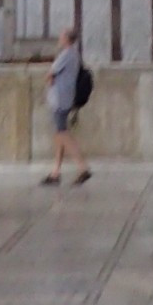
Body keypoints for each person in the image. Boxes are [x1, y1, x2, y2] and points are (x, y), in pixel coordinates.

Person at [42, 28, 91, 187]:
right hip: (66, 97)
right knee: (58, 134)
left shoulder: (66, 54)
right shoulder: (74, 55)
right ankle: (56, 172)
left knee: (62, 133)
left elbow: (51, 73)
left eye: (61, 36)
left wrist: (49, 81)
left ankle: (83, 167)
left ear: (67, 39)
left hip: (59, 98)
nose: (59, 38)